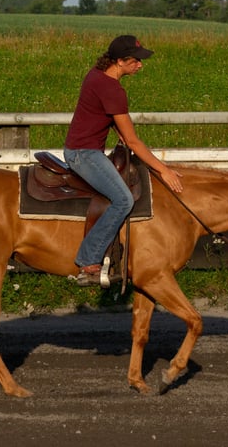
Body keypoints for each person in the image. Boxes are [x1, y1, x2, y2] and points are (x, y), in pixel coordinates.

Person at [64, 35, 183, 287]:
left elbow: (114, 126)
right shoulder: (112, 89)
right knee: (123, 199)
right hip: (84, 154)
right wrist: (164, 170)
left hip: (81, 149)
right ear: (119, 61)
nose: (140, 65)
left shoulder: (96, 75)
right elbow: (133, 141)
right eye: (136, 61)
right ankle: (89, 260)